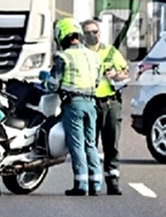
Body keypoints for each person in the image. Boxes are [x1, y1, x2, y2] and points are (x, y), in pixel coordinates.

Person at [42, 19, 103, 196]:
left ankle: (81, 185)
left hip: (73, 105)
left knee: (76, 145)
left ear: (61, 36)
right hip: (91, 104)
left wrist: (46, 80)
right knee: (90, 144)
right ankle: (96, 184)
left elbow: (52, 85)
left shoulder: (63, 57)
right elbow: (97, 81)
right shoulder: (93, 56)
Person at [82, 19, 127, 196]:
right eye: (87, 33)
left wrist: (116, 74)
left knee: (111, 145)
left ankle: (113, 182)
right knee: (90, 145)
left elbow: (125, 73)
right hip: (89, 103)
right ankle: (91, 182)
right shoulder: (81, 53)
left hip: (110, 102)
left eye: (95, 31)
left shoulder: (110, 51)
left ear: (100, 32)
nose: (92, 35)